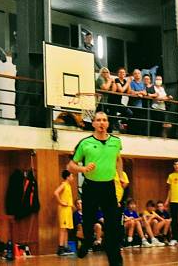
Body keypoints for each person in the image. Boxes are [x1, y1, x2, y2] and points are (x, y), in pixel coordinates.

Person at [67, 111, 124, 266]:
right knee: (88, 221)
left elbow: (118, 159)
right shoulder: (84, 143)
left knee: (113, 225)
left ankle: (115, 260)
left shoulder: (116, 141)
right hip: (91, 187)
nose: (101, 123)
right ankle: (86, 242)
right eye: (98, 120)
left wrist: (120, 176)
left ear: (107, 123)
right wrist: (83, 169)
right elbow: (70, 165)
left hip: (108, 187)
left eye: (104, 120)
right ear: (93, 124)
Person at [54, 170, 76, 256]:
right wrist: (61, 202)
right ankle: (60, 248)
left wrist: (72, 206)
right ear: (67, 177)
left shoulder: (68, 186)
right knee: (63, 229)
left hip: (68, 210)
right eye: (71, 176)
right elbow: (56, 193)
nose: (72, 177)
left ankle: (65, 246)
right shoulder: (63, 184)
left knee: (66, 229)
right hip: (63, 210)